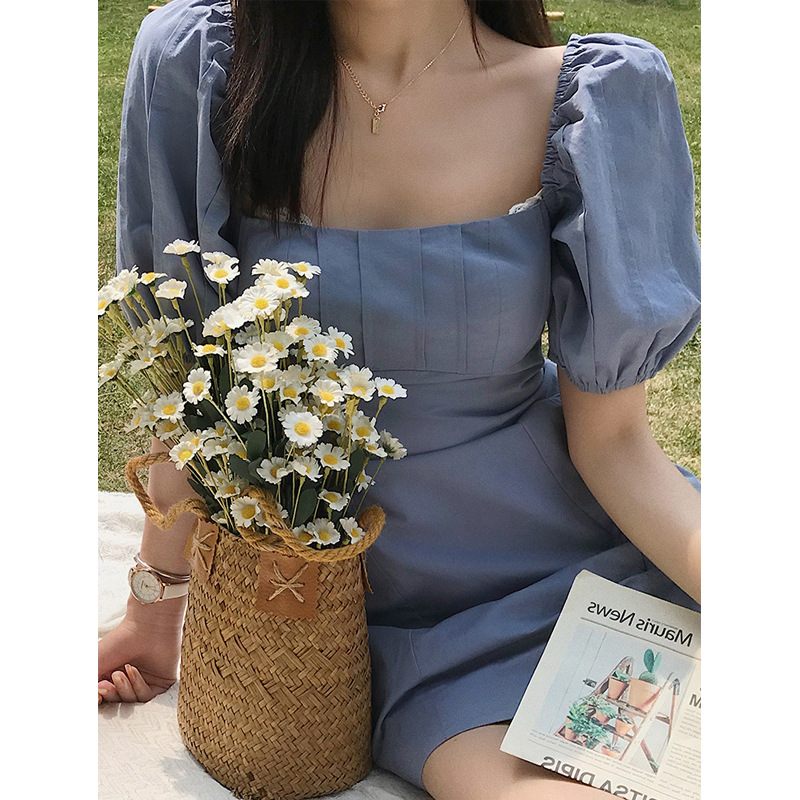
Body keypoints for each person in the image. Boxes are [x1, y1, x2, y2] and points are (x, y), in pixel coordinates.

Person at [98, 1, 701, 798]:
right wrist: (153, 613)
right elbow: (191, 387)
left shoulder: (594, 99)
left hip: (585, 569)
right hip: (362, 620)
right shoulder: (202, 69)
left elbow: (617, 444)